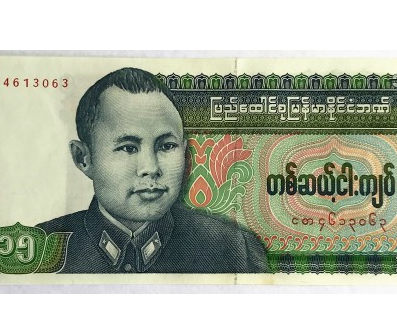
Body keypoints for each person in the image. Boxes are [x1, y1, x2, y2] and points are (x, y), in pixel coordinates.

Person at [37, 68, 268, 273]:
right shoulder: (41, 248)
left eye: (166, 146)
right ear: (83, 158)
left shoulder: (233, 247)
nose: (151, 168)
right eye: (128, 148)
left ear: (185, 151)